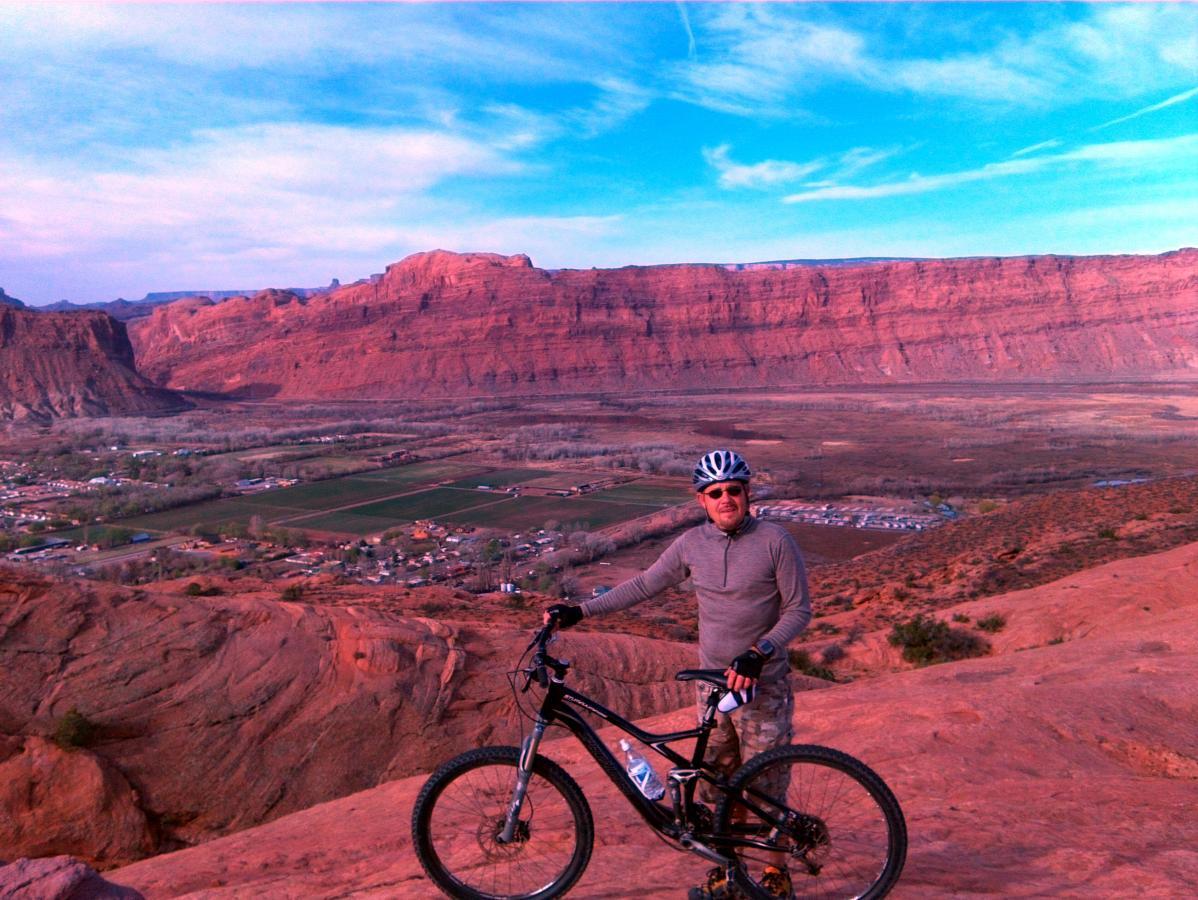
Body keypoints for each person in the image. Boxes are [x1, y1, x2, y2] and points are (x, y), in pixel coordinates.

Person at [543, 449, 811, 900]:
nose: (725, 498)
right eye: (715, 493)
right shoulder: (691, 544)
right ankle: (730, 873)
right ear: (701, 500)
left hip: (760, 685)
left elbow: (799, 610)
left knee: (764, 787)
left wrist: (758, 653)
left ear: (747, 494)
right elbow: (645, 584)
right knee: (715, 783)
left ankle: (775, 875)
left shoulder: (775, 541)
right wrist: (580, 611)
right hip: (712, 687)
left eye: (733, 490)